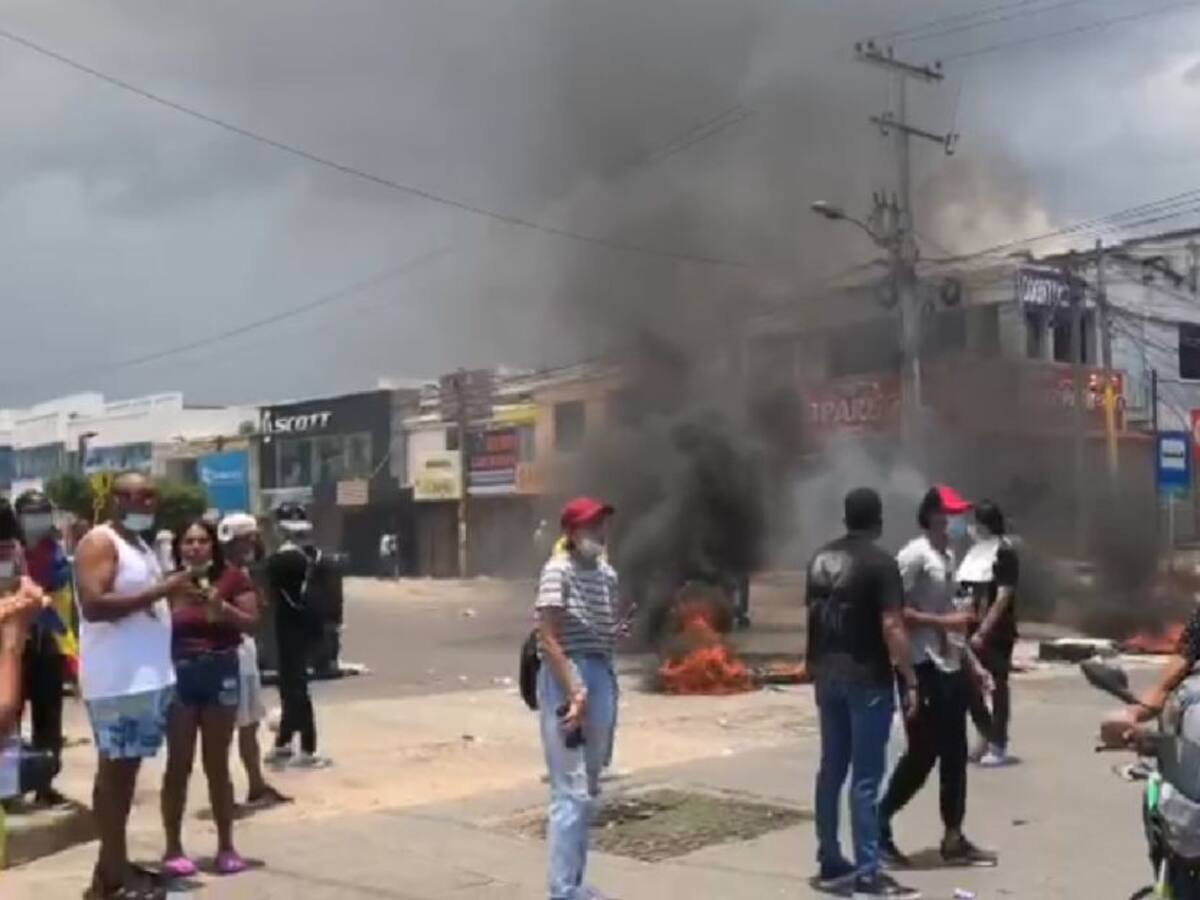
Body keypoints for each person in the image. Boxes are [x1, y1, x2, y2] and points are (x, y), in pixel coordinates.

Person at [74, 472, 193, 900]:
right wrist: (163, 588)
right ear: (115, 501)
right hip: (118, 682)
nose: (144, 504)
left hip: (146, 680)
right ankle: (112, 876)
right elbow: (93, 606)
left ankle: (110, 871)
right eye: (134, 496)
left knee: (125, 778)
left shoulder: (139, 545)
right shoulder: (100, 542)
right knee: (116, 778)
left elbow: (143, 602)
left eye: (150, 497)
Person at [806, 488, 921, 900]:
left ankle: (830, 859)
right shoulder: (881, 563)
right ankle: (869, 873)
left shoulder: (819, 559)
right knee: (866, 778)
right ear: (878, 520)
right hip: (867, 679)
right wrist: (909, 676)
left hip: (827, 675)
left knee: (831, 769)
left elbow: (816, 618)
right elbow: (892, 625)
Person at [879, 486, 998, 871]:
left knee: (955, 754)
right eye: (951, 513)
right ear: (932, 515)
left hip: (948, 667)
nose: (959, 521)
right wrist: (943, 622)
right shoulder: (914, 556)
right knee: (921, 755)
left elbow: (954, 621)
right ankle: (878, 824)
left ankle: (953, 836)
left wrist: (973, 667)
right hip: (920, 667)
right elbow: (895, 613)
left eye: (960, 513)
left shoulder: (947, 556)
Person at [160, 519, 258, 878]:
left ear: (213, 546)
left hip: (221, 672)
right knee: (178, 763)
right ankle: (172, 846)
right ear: (179, 548)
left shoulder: (233, 578)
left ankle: (226, 845)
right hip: (180, 673)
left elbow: (252, 622)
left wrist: (224, 608)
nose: (196, 547)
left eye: (203, 540)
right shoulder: (170, 583)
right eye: (189, 541)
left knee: (217, 764)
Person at [535, 497, 620, 900]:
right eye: (590, 526)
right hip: (568, 677)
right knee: (570, 791)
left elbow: (601, 632)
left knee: (588, 788)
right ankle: (562, 890)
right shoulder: (557, 572)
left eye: (601, 525)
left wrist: (614, 634)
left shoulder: (606, 575)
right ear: (570, 533)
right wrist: (574, 690)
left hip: (601, 674)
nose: (599, 533)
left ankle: (575, 883)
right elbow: (547, 638)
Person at [217, 514, 290, 812]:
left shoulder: (233, 571)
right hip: (237, 654)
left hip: (240, 654)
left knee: (247, 725)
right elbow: (250, 620)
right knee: (237, 727)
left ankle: (256, 784)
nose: (255, 543)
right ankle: (232, 791)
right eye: (251, 538)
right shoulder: (236, 575)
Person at [16, 490, 75, 807]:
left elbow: (62, 590)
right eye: (30, 513)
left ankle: (45, 784)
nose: (37, 520)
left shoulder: (56, 552)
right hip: (12, 645)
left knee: (49, 718)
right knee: (8, 717)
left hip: (49, 644)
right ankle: (8, 787)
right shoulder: (9, 550)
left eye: (42, 513)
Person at [265, 503, 329, 769]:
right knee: (290, 685)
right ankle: (284, 741)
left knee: (295, 688)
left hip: (290, 627)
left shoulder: (284, 559)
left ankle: (307, 748)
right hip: (303, 627)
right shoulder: (313, 554)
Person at [958, 500, 1019, 767]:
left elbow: (1003, 596)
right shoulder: (974, 553)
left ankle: (998, 743)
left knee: (996, 686)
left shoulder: (1004, 553)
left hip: (996, 631)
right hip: (969, 628)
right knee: (971, 686)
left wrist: (984, 630)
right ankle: (983, 735)